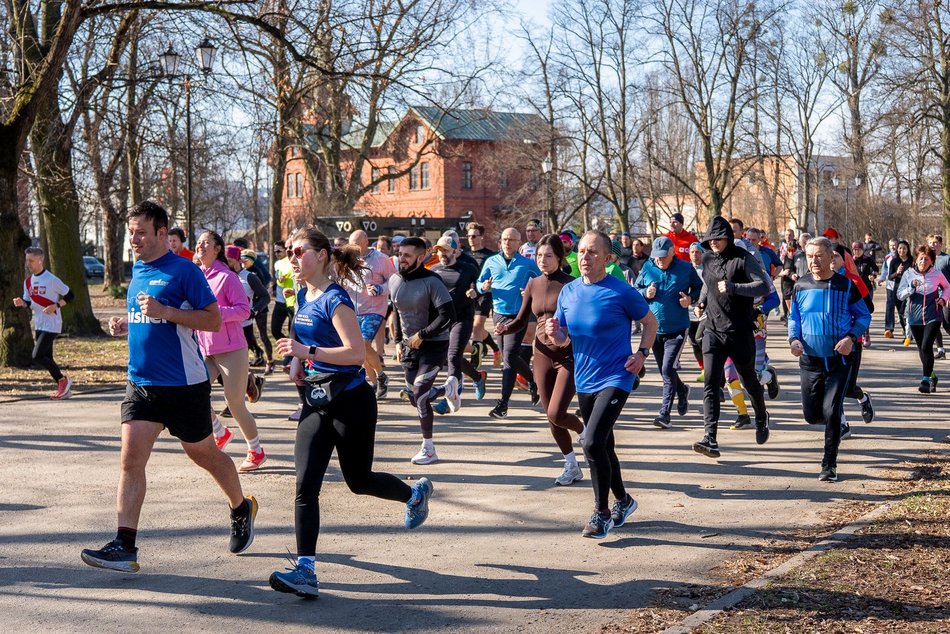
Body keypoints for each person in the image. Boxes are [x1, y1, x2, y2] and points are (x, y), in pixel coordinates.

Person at [81, 201, 256, 573]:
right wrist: (127, 324)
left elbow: (211, 321)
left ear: (163, 233)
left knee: (204, 455)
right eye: (131, 232)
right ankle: (125, 545)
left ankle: (241, 507)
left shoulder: (185, 272)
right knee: (130, 460)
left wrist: (166, 312)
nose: (134, 239)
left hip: (183, 385)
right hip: (141, 384)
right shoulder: (138, 270)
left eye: (141, 232)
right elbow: (149, 319)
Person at [269, 228, 433, 599]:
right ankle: (306, 570)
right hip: (316, 401)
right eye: (290, 252)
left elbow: (355, 353)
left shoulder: (335, 299)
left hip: (351, 401)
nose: (293, 258)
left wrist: (306, 351)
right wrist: (297, 361)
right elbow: (308, 346)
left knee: (358, 481)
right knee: (305, 486)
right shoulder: (300, 295)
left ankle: (414, 495)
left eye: (299, 252)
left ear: (323, 255)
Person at [546, 230, 658, 538]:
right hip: (585, 378)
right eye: (581, 251)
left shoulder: (620, 291)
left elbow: (650, 322)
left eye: (592, 252)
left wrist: (642, 354)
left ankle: (602, 512)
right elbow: (563, 339)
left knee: (591, 441)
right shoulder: (568, 293)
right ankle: (624, 500)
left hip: (617, 376)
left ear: (607, 258)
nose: (585, 257)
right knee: (604, 445)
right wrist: (553, 332)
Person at [497, 234, 586, 485]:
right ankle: (571, 465)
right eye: (538, 256)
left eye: (548, 256)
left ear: (559, 257)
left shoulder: (572, 284)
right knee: (551, 415)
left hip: (567, 354)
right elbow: (521, 320)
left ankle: (585, 433)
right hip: (542, 355)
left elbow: (582, 320)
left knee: (558, 412)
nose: (542, 260)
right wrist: (506, 328)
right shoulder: (534, 283)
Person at [788, 237, 871, 482]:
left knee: (832, 410)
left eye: (819, 256)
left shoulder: (845, 286)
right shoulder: (801, 285)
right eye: (809, 256)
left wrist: (851, 338)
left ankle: (829, 464)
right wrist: (793, 339)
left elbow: (864, 316)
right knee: (812, 415)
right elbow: (794, 317)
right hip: (810, 360)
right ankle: (835, 423)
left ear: (830, 256)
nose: (813, 261)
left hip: (839, 360)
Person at [693, 216, 771, 459]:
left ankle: (760, 416)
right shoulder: (707, 257)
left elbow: (763, 287)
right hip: (713, 331)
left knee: (749, 382)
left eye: (718, 238)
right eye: (710, 239)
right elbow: (708, 282)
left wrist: (735, 287)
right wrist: (702, 302)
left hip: (739, 332)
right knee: (711, 383)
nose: (714, 243)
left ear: (728, 236)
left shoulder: (743, 259)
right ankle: (710, 437)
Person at [195, 236, 267, 472]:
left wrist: (215, 313)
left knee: (234, 403)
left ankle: (256, 451)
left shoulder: (228, 277)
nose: (200, 245)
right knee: (192, 393)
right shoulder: (197, 276)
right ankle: (220, 432)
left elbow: (244, 311)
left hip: (231, 349)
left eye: (206, 242)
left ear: (217, 249)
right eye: (198, 242)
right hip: (205, 348)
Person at [390, 237, 458, 464]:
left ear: (421, 257)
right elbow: (396, 312)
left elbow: (449, 316)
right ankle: (447, 389)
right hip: (410, 347)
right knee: (414, 397)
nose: (402, 259)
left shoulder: (433, 281)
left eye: (407, 255)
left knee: (419, 393)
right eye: (400, 254)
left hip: (434, 344)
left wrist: (423, 335)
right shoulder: (395, 280)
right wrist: (399, 341)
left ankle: (428, 448)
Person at [634, 237, 703, 429]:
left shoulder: (685, 268)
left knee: (667, 370)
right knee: (667, 370)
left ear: (672, 252)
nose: (659, 260)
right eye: (656, 257)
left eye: (663, 257)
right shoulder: (648, 268)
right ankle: (682, 390)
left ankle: (664, 414)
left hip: (678, 329)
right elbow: (635, 290)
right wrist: (646, 292)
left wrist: (690, 299)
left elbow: (699, 288)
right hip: (654, 330)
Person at [478, 227, 542, 418]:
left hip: (518, 315)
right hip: (498, 314)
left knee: (509, 357)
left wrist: (530, 293)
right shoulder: (492, 261)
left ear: (518, 243)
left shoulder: (526, 263)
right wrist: (484, 286)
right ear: (500, 242)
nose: (507, 243)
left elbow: (541, 282)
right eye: (505, 239)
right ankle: (532, 381)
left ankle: (503, 403)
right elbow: (479, 284)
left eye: (512, 240)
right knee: (510, 358)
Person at [429, 235, 487, 413]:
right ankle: (477, 377)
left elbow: (480, 288)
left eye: (445, 250)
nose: (442, 254)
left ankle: (450, 398)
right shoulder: (434, 269)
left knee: (453, 355)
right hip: (442, 319)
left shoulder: (468, 267)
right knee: (449, 356)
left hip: (462, 318)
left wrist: (474, 293)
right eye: (439, 251)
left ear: (455, 251)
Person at [13, 246, 74, 399]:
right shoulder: (28, 282)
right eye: (27, 261)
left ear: (40, 260)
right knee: (47, 357)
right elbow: (28, 301)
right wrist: (22, 303)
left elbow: (70, 295)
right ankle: (63, 388)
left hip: (52, 323)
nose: (28, 264)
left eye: (31, 260)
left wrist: (57, 305)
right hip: (39, 323)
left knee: (37, 356)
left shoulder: (52, 279)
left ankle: (63, 380)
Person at [346, 229, 397, 399]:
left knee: (363, 343)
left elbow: (394, 281)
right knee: (360, 351)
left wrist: (380, 288)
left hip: (374, 310)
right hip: (354, 309)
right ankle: (376, 383)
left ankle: (381, 375)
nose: (353, 247)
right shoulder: (350, 259)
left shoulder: (380, 259)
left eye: (357, 244)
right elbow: (345, 280)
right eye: (351, 244)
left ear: (366, 242)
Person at [896, 245, 950, 393]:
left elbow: (947, 287)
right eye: (921, 258)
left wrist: (943, 299)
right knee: (922, 349)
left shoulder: (937, 274)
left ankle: (925, 380)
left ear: (932, 261)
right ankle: (932, 375)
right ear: (916, 259)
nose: (923, 261)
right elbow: (899, 294)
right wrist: (910, 290)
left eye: (927, 259)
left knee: (926, 346)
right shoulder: (908, 274)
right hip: (914, 317)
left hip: (933, 316)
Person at [466, 223, 501, 368]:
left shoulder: (490, 255)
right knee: (475, 329)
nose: (471, 239)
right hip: (469, 295)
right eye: (468, 236)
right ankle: (495, 348)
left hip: (484, 294)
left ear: (481, 237)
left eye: (474, 236)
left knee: (477, 326)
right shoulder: (465, 254)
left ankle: (474, 364)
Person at [238, 250, 273, 370]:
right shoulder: (239, 273)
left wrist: (256, 306)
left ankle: (270, 361)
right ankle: (258, 354)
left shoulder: (255, 271)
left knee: (263, 335)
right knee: (250, 335)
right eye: (241, 258)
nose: (243, 260)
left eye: (246, 258)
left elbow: (265, 282)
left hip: (260, 308)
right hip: (248, 309)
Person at [887, 240, 914, 345]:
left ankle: (909, 335)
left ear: (907, 250)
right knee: (901, 313)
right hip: (898, 290)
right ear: (897, 249)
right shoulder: (894, 261)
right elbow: (889, 277)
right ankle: (907, 334)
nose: (902, 250)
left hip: (909, 290)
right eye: (900, 248)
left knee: (907, 312)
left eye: (904, 248)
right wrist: (897, 272)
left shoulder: (912, 260)